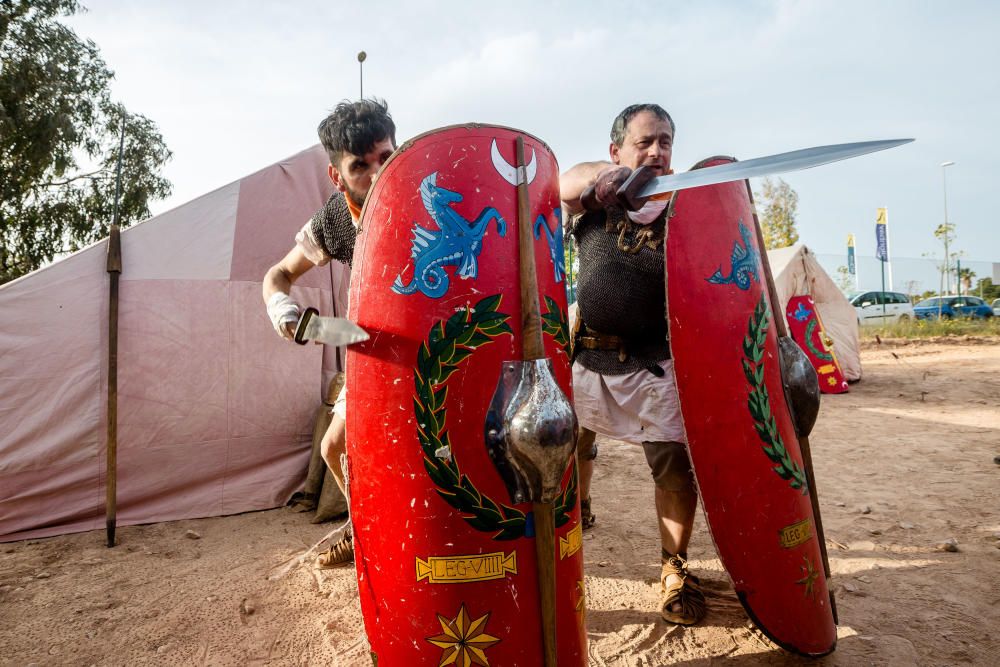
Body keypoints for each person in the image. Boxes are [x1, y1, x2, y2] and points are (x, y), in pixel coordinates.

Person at [559, 103, 706, 626]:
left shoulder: (688, 206)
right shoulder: (593, 200)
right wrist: (604, 180)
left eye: (665, 141)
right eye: (645, 141)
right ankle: (575, 519)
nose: (657, 151)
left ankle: (674, 567)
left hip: (655, 359)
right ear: (616, 148)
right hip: (589, 352)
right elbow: (560, 180)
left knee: (671, 465)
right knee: (570, 448)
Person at [263, 98, 397, 568]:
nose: (379, 173)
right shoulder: (334, 221)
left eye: (386, 157)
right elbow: (276, 274)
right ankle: (368, 533)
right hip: (375, 346)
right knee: (334, 445)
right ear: (337, 177)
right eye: (361, 165)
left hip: (441, 348)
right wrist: (286, 312)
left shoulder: (428, 199)